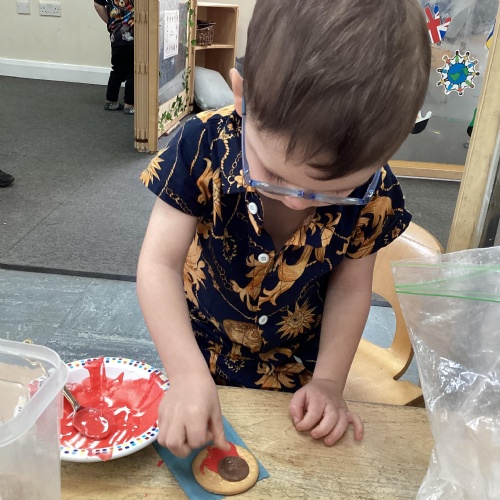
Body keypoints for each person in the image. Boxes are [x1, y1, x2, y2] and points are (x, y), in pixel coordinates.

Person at [137, 0, 431, 458]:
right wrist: (187, 373)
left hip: (299, 371)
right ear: (242, 96)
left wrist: (330, 382)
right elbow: (158, 265)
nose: (297, 201)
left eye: (336, 192)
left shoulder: (376, 192)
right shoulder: (201, 144)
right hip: (198, 353)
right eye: (273, 175)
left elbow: (351, 290)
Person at [93, 0, 135, 114]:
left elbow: (97, 5)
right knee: (133, 71)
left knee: (117, 69)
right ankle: (129, 104)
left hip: (116, 35)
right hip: (133, 35)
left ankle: (111, 101)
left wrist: (111, 22)